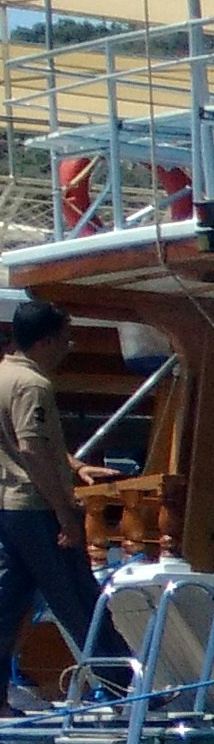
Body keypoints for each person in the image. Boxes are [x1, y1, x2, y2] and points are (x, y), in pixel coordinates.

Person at [0, 298, 103, 697]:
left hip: (7, 507)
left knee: (8, 605)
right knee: (78, 598)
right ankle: (121, 687)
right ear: (44, 343)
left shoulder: (4, 375)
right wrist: (65, 511)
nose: (67, 347)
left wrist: (75, 465)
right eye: (65, 340)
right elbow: (30, 448)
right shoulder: (33, 384)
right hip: (36, 507)